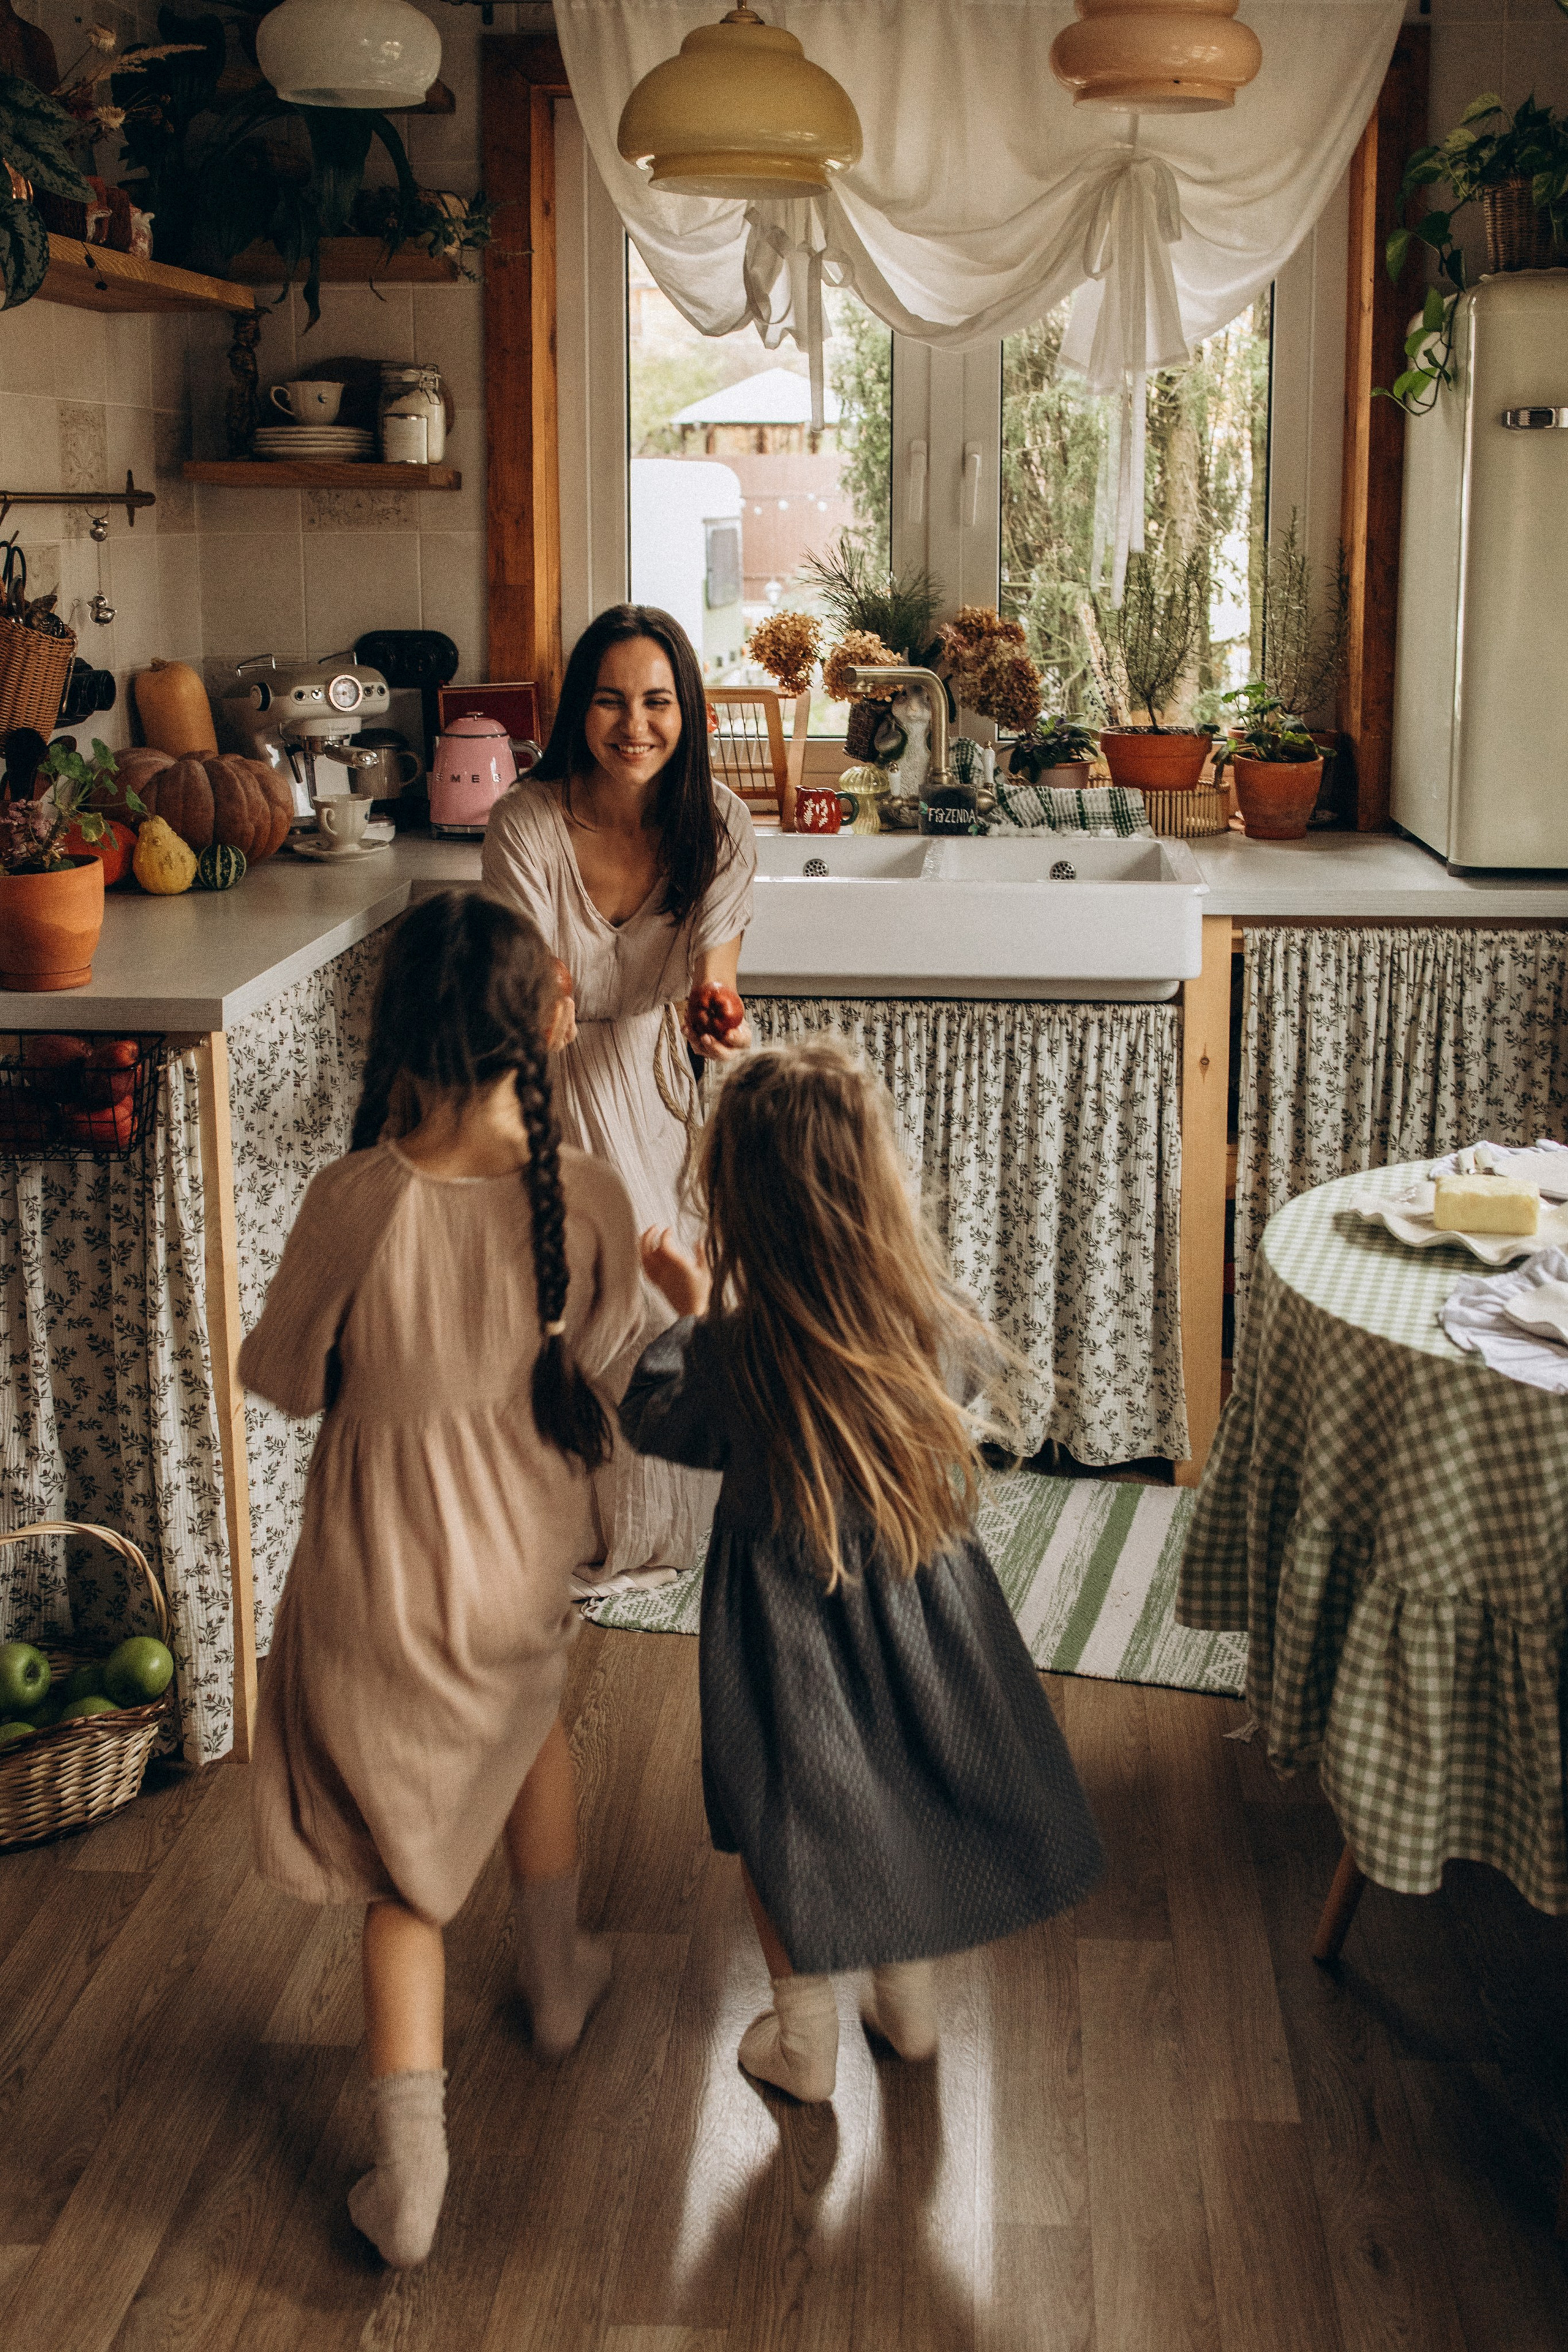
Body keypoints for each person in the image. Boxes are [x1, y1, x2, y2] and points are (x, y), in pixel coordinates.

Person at [238, 891, 644, 2267]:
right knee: (528, 1730)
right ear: (557, 1023)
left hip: (372, 1583)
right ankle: (553, 1977)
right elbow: (592, 1358)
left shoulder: (351, 1198)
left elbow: (283, 1380)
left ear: (388, 1035)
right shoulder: (585, 1201)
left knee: (400, 1881)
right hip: (516, 1568)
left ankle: (410, 2178)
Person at [620, 1038, 1105, 2102]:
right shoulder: (920, 1326)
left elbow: (650, 1412)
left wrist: (692, 1305)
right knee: (899, 1791)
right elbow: (959, 1378)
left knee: (778, 1819)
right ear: (876, 1193)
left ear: (739, 1206)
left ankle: (805, 2042)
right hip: (922, 1612)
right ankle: (911, 2008)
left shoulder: (738, 1357)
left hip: (780, 1641)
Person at [481, 603, 756, 1597]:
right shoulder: (525, 822)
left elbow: (714, 985)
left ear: (688, 709)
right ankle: (569, 1532)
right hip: (546, 1095)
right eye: (608, 702)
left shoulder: (719, 823)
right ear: (577, 714)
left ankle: (665, 1527)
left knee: (667, 1295)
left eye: (655, 700)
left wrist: (718, 1024)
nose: (633, 725)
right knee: (585, 1313)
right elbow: (527, 977)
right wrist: (541, 995)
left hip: (656, 1088)